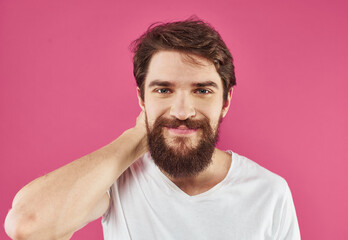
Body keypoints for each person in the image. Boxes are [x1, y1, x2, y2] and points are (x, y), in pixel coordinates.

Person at [5, 18, 300, 240]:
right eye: (163, 90)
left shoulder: (269, 193)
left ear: (226, 100)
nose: (182, 112)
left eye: (202, 91)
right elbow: (26, 226)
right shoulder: (116, 179)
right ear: (141, 98)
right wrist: (135, 138)